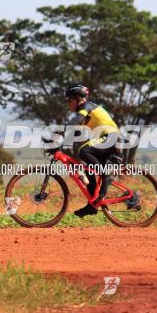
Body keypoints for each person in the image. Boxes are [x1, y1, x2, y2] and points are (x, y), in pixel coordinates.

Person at [64, 84, 119, 217]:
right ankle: (92, 205)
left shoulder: (87, 107)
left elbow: (77, 120)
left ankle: (106, 175)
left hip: (110, 136)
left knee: (84, 151)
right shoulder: (85, 112)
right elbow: (76, 133)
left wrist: (61, 129)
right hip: (104, 138)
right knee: (90, 172)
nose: (68, 104)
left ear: (79, 99)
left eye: (70, 100)